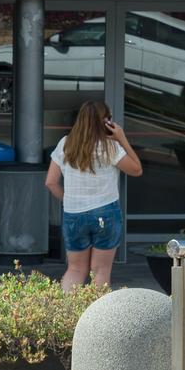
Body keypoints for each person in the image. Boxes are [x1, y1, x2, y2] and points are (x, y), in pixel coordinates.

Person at [45, 101, 142, 290]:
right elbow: (137, 169)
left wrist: (69, 200)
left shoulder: (65, 144)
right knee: (100, 272)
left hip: (73, 214)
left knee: (75, 269)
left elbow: (50, 182)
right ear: (105, 122)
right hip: (105, 212)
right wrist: (121, 138)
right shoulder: (110, 147)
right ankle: (97, 319)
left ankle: (65, 315)